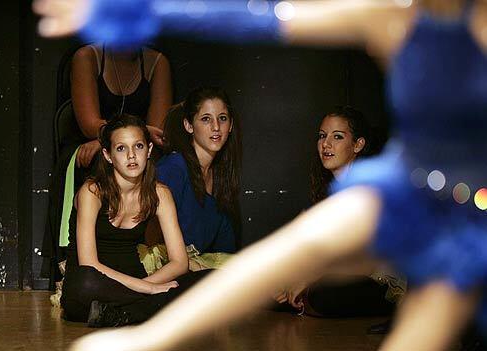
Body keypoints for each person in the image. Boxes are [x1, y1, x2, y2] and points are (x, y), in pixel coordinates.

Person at [34, 1, 487, 350]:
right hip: (418, 186)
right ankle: (145, 338)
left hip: (473, 199)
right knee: (301, 246)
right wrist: (145, 9)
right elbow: (260, 16)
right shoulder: (390, 16)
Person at [45, 42, 172, 302]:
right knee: (90, 160)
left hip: (127, 146)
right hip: (93, 146)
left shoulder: (157, 62)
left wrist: (129, 142)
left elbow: (156, 133)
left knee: (159, 164)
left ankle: (139, 280)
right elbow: (88, 122)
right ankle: (66, 270)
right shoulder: (87, 57)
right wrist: (113, 143)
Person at [61, 114, 205, 327]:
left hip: (135, 281)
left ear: (149, 150)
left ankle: (123, 314)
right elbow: (88, 262)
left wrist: (146, 284)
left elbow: (179, 262)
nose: (131, 156)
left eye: (138, 146)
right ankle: (146, 308)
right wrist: (146, 289)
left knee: (207, 278)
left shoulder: (160, 194)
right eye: (121, 148)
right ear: (107, 155)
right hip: (95, 285)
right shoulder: (92, 192)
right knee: (85, 282)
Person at [275, 106, 402, 318]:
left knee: (325, 294)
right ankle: (301, 298)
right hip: (334, 278)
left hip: (376, 281)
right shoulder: (327, 194)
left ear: (358, 145)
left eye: (338, 137)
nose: (326, 144)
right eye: (322, 136)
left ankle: (306, 299)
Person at [139, 88, 242, 274]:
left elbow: (224, 250)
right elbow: (148, 238)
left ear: (231, 125)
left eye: (223, 118)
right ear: (188, 125)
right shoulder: (174, 168)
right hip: (160, 267)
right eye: (206, 119)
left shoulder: (221, 177)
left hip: (194, 268)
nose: (216, 127)